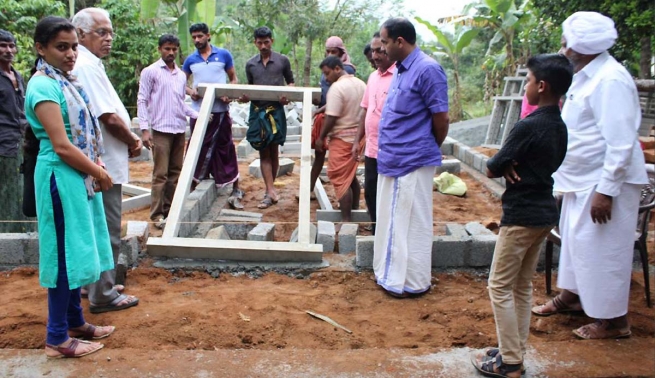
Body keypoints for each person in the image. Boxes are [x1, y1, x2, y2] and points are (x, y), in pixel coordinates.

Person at [531, 11, 648, 340]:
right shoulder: (585, 75)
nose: (562, 47)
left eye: (566, 42)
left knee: (603, 251)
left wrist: (606, 191)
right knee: (577, 245)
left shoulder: (610, 79)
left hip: (604, 183)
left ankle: (615, 322)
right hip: (580, 179)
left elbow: (621, 142)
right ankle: (571, 297)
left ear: (581, 46)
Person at [470, 54, 573, 378]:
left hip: (521, 216)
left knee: (499, 285)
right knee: (521, 286)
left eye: (528, 80)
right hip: (544, 213)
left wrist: (508, 163)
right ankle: (513, 348)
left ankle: (510, 361)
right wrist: (513, 163)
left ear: (541, 86)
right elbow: (548, 164)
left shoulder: (528, 125)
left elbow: (491, 165)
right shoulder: (559, 125)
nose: (525, 86)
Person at [25, 15, 115, 358]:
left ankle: (76, 320)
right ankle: (57, 337)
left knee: (76, 249)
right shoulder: (43, 86)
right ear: (41, 48)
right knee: (62, 256)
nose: (71, 53)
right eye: (61, 47)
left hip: (76, 177)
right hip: (58, 177)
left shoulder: (66, 81)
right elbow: (61, 145)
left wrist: (94, 166)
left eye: (74, 46)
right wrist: (99, 172)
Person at [373, 18, 449, 298]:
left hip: (412, 160)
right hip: (393, 158)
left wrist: (425, 147)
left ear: (400, 42)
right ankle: (390, 276)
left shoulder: (427, 69)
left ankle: (412, 282)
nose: (381, 47)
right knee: (392, 220)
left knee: (412, 222)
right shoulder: (401, 70)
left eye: (384, 41)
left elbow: (441, 119)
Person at [72, 7, 140, 313]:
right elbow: (109, 117)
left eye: (110, 32)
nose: (109, 38)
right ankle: (104, 294)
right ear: (81, 35)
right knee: (108, 228)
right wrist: (134, 140)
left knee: (97, 226)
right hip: (104, 166)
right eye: (102, 32)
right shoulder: (85, 66)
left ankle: (95, 284)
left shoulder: (90, 64)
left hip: (100, 163)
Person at [137, 34, 198, 228]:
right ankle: (156, 215)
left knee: (175, 173)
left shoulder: (180, 76)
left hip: (179, 129)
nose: (171, 53)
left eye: (174, 49)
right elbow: (142, 100)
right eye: (167, 49)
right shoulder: (151, 72)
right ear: (159, 49)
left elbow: (181, 103)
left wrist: (198, 114)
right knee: (160, 174)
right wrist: (144, 130)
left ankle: (170, 210)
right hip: (161, 129)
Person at [182, 22, 243, 208]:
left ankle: (235, 187)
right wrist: (190, 91)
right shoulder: (190, 60)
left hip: (220, 112)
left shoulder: (223, 55)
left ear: (208, 35)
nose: (197, 40)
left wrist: (228, 94)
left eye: (200, 36)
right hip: (199, 112)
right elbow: (181, 83)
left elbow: (233, 79)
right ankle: (192, 186)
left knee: (225, 148)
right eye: (194, 37)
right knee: (197, 146)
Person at [240, 26, 295, 209]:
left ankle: (271, 190)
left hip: (276, 111)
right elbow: (250, 88)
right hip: (258, 112)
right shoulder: (250, 64)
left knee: (274, 151)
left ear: (272, 40)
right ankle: (269, 190)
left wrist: (288, 96)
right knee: (263, 151)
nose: (263, 45)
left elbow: (291, 83)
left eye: (266, 42)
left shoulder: (282, 61)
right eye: (259, 42)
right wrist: (245, 98)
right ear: (255, 42)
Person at [315, 56, 366, 225]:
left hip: (343, 138)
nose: (326, 78)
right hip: (358, 137)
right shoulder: (361, 84)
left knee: (340, 179)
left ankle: (346, 220)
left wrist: (321, 137)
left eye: (327, 73)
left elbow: (331, 116)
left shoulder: (337, 88)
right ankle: (355, 209)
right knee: (350, 177)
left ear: (337, 68)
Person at [353, 32, 396, 234]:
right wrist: (356, 141)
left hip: (393, 150)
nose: (376, 55)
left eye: (380, 50)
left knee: (392, 195)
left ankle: (390, 233)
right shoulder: (372, 77)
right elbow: (365, 110)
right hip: (372, 149)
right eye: (373, 51)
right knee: (371, 192)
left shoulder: (400, 75)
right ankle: (377, 231)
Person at [309, 36, 356, 199]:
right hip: (326, 115)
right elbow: (327, 93)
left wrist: (321, 110)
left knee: (342, 166)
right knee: (319, 155)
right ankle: (309, 190)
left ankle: (348, 204)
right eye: (328, 51)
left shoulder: (347, 70)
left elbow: (339, 99)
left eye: (333, 52)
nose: (330, 54)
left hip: (338, 121)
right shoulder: (328, 67)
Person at [0, 29, 34, 232]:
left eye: (11, 45)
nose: (8, 50)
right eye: (3, 45)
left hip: (21, 141)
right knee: (6, 190)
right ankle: (6, 235)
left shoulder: (17, 75)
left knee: (20, 188)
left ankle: (21, 229)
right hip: (3, 144)